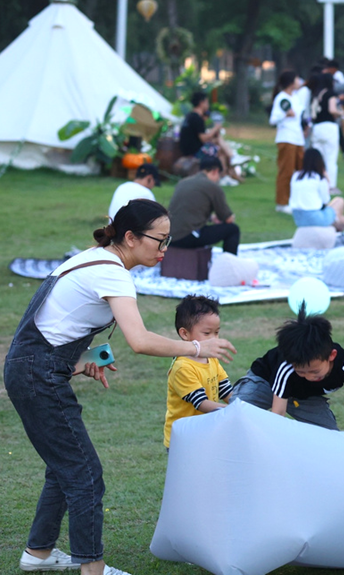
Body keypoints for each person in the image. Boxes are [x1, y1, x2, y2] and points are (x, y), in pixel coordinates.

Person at [5, 199, 235, 575]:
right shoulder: (113, 272)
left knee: (63, 468)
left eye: (168, 239)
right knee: (85, 475)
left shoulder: (96, 258)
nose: (164, 249)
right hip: (37, 374)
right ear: (130, 237)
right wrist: (198, 347)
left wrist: (81, 360)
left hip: (32, 368)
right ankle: (92, 569)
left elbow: (50, 326)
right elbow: (140, 341)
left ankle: (38, 553)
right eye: (159, 240)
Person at [229, 309, 344, 431]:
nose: (308, 376)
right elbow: (278, 415)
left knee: (329, 436)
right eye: (301, 372)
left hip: (304, 396)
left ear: (331, 355)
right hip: (264, 384)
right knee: (234, 414)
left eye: (315, 372)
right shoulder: (286, 368)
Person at [163, 295, 232, 449]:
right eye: (207, 333)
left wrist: (243, 405)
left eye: (217, 332)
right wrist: (232, 411)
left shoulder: (211, 358)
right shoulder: (183, 367)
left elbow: (226, 391)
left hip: (206, 434)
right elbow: (201, 403)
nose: (214, 338)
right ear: (185, 334)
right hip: (184, 440)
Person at [167, 156, 240, 255]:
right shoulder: (212, 187)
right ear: (215, 171)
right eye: (219, 175)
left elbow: (188, 210)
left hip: (170, 237)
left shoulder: (183, 182)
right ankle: (229, 264)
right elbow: (228, 219)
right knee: (233, 229)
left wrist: (211, 218)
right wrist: (229, 217)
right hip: (187, 237)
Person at [179, 91, 241, 185]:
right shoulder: (197, 118)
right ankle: (225, 173)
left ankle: (230, 169)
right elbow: (204, 139)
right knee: (219, 151)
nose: (208, 105)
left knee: (217, 142)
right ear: (201, 103)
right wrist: (216, 128)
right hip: (194, 151)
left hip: (188, 149)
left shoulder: (189, 116)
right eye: (207, 102)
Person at [269, 71, 305, 213]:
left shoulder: (296, 97)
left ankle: (295, 200)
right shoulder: (281, 98)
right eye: (297, 78)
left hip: (298, 138)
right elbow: (273, 119)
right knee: (286, 171)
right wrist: (285, 114)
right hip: (286, 138)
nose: (299, 81)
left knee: (300, 171)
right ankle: (282, 203)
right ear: (291, 82)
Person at [289, 148, 344, 230]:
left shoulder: (295, 176)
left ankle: (335, 226)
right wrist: (327, 179)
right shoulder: (319, 178)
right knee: (341, 208)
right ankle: (335, 231)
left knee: (339, 218)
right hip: (315, 218)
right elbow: (325, 200)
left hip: (298, 218)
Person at [309, 73, 343, 193]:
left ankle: (318, 183)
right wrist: (341, 113)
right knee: (331, 158)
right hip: (329, 127)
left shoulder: (317, 94)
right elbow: (332, 109)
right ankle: (331, 185)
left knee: (319, 157)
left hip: (317, 128)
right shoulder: (330, 94)